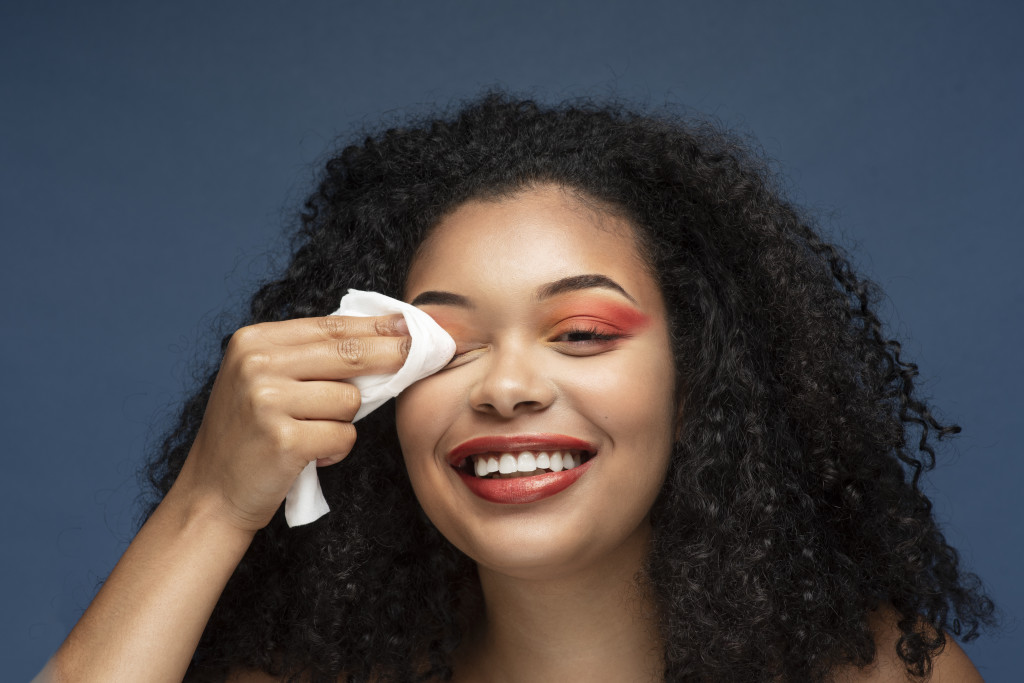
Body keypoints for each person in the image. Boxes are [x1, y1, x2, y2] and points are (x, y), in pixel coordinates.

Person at [46, 93, 994, 682]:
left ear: (701, 373)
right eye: (444, 345)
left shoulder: (890, 676)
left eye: (581, 333)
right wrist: (211, 501)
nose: (505, 387)